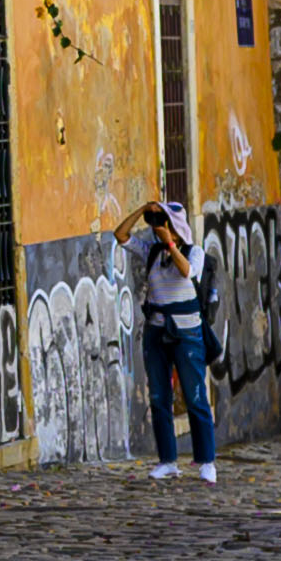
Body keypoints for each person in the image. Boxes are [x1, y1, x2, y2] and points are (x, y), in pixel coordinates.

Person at [109, 194, 215, 482]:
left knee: (194, 396)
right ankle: (167, 460)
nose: (159, 226)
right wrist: (142, 210)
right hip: (156, 332)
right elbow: (120, 235)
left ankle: (206, 461)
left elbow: (186, 272)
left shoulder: (194, 252)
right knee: (159, 397)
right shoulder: (152, 253)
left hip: (187, 332)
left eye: (164, 221)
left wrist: (170, 241)